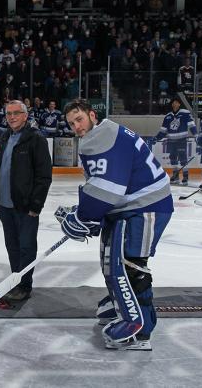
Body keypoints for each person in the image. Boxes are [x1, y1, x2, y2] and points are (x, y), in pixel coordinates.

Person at [61, 99, 173, 351]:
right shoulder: (102, 134)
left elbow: (107, 189)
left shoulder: (105, 137)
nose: (76, 126)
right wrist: (88, 214)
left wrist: (83, 216)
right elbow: (103, 185)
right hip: (129, 206)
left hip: (146, 207)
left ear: (92, 115)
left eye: (79, 119)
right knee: (111, 260)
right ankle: (122, 302)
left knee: (132, 265)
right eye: (71, 123)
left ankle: (140, 329)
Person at [0, 100, 52, 301]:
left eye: (17, 113)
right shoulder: (5, 137)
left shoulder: (36, 139)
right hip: (5, 205)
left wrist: (36, 205)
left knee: (26, 247)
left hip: (25, 208)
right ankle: (15, 281)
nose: (12, 117)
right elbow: (0, 170)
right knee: (12, 246)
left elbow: (44, 176)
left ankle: (25, 285)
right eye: (8, 113)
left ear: (25, 116)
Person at [151, 98, 197, 185]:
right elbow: (163, 131)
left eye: (176, 103)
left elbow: (192, 125)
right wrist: (156, 138)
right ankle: (175, 176)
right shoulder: (168, 116)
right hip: (171, 141)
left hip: (181, 140)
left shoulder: (185, 113)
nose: (174, 104)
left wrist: (196, 135)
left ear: (179, 104)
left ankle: (185, 176)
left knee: (183, 158)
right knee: (172, 158)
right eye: (173, 103)